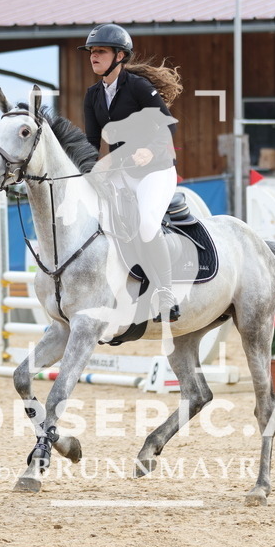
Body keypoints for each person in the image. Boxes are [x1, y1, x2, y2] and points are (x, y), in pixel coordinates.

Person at [80, 23, 183, 326]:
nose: (93, 57)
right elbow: (90, 142)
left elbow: (169, 124)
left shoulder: (137, 86)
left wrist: (150, 150)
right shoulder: (93, 95)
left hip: (156, 170)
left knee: (147, 223)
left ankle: (166, 293)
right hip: (122, 172)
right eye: (91, 52)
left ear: (119, 55)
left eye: (100, 51)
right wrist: (87, 171)